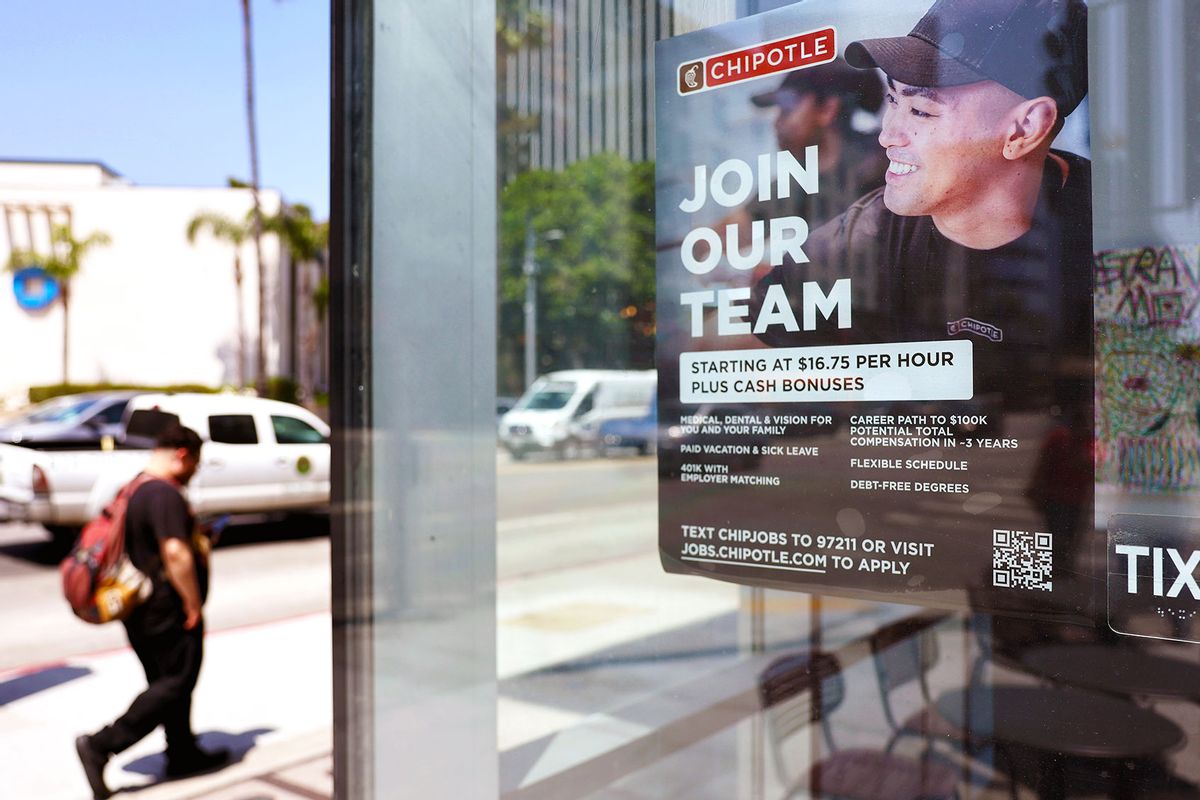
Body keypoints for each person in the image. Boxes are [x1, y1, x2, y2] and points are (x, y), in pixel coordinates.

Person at [754, 0, 1092, 409]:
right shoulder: (868, 231)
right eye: (893, 102)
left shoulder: (1113, 242)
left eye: (921, 110)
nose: (888, 135)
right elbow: (763, 317)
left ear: (1025, 128)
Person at [75, 424, 228, 800]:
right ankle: (101, 744)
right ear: (182, 454)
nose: (195, 471)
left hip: (139, 609)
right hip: (165, 608)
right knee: (176, 682)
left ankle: (182, 753)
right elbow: (175, 552)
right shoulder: (164, 494)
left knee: (166, 683)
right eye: (195, 462)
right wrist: (192, 602)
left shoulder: (136, 487)